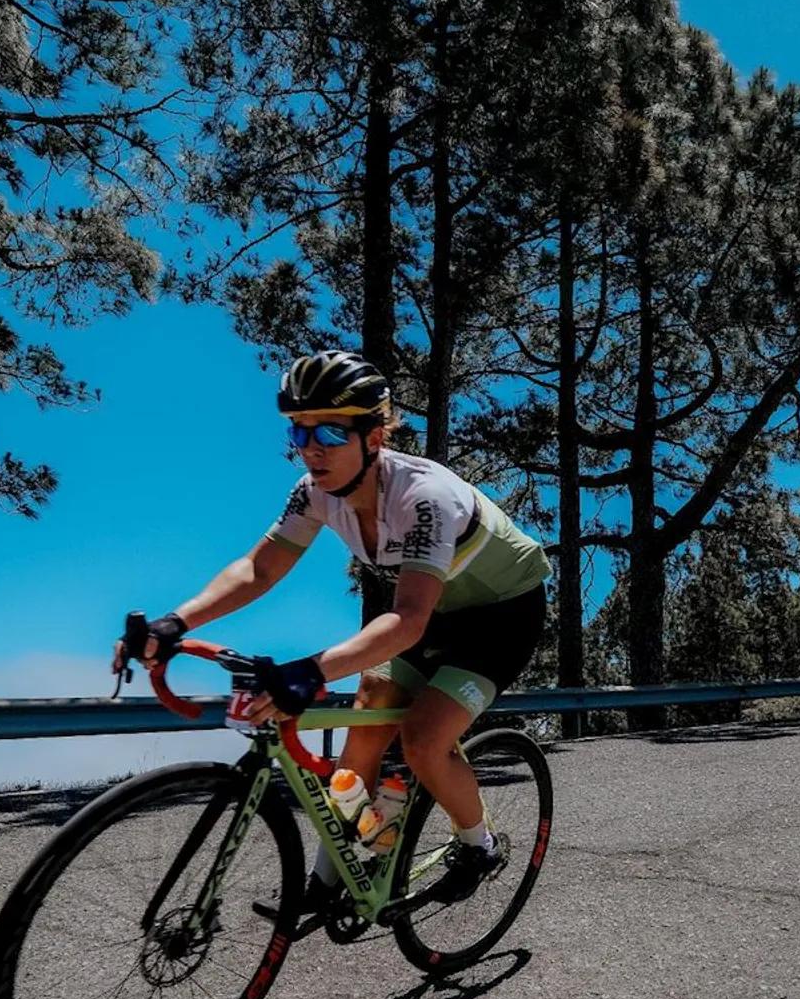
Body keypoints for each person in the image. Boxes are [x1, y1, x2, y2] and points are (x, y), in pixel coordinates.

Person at [110, 349, 551, 915]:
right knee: (367, 715)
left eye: (332, 432)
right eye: (300, 430)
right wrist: (176, 622)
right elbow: (258, 569)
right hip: (433, 610)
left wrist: (310, 672)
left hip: (500, 615)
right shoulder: (313, 491)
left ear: (374, 437)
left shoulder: (423, 497)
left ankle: (479, 846)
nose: (312, 446)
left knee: (421, 741)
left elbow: (409, 619)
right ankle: (332, 875)